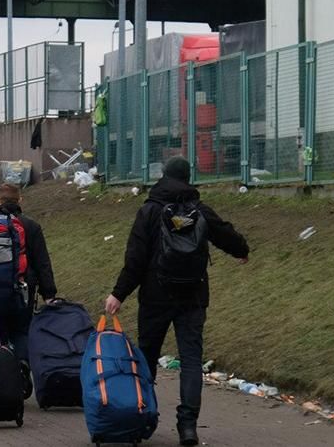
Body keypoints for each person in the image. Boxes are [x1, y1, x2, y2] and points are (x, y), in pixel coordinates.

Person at [104, 157, 250, 447]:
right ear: (188, 178)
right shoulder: (200, 210)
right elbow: (227, 235)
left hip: (155, 297)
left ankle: (142, 416)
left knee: (146, 357)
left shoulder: (149, 210)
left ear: (163, 176)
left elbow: (135, 259)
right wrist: (241, 251)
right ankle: (188, 427)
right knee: (192, 360)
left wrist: (118, 294)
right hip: (193, 296)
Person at [0, 183, 58, 362]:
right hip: (23, 289)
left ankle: (0, 370)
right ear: (20, 200)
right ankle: (23, 366)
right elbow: (42, 262)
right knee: (22, 331)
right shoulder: (31, 226)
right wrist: (49, 293)